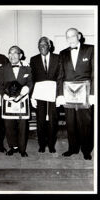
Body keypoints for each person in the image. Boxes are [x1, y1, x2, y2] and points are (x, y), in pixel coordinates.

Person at [56, 28, 94, 160]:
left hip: (85, 92)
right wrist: (59, 94)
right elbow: (60, 75)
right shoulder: (62, 53)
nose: (70, 39)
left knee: (86, 123)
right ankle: (72, 148)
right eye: (67, 37)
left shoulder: (91, 49)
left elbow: (95, 73)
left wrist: (93, 93)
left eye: (72, 36)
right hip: (68, 93)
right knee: (70, 122)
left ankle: (86, 150)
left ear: (79, 36)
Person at [0, 46, 33, 157]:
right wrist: (4, 95)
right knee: (9, 126)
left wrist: (25, 91)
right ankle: (13, 147)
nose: (12, 56)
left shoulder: (27, 69)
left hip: (22, 100)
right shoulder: (3, 69)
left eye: (14, 53)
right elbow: (0, 86)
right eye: (10, 53)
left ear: (20, 55)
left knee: (22, 126)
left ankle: (22, 149)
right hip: (8, 101)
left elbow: (30, 83)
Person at [30, 36, 61, 153]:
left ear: (50, 46)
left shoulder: (58, 58)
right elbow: (32, 79)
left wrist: (59, 95)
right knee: (40, 121)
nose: (42, 47)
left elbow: (60, 78)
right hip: (39, 95)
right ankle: (42, 144)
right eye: (40, 45)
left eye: (44, 45)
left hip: (53, 95)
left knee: (53, 120)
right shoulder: (34, 59)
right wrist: (32, 96)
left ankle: (51, 144)